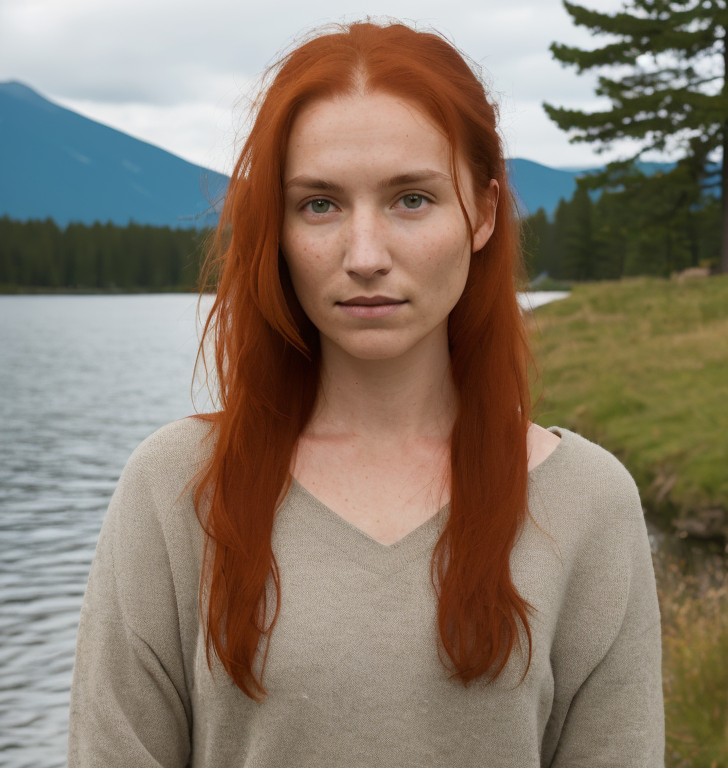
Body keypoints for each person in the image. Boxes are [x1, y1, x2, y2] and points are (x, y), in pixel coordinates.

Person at [67, 20, 664, 767]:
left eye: (411, 199)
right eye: (320, 205)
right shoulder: (175, 489)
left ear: (481, 212)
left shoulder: (588, 504)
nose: (365, 256)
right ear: (276, 229)